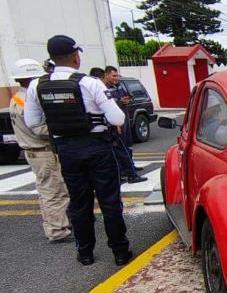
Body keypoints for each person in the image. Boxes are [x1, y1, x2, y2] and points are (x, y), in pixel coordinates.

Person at [24, 35, 133, 266]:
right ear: (76, 57)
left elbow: (32, 122)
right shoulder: (89, 83)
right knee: (110, 202)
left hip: (66, 150)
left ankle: (85, 253)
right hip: (97, 147)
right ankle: (120, 251)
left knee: (79, 202)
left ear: (51, 58)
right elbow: (117, 117)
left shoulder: (37, 85)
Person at [8, 59, 72, 242]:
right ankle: (58, 231)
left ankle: (55, 225)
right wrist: (63, 128)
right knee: (55, 192)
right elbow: (38, 128)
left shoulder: (17, 97)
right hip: (43, 151)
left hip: (35, 152)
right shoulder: (27, 99)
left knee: (47, 191)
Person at [102, 66, 146, 183]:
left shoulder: (120, 86)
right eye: (113, 76)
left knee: (128, 145)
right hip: (116, 123)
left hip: (125, 118)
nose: (116, 78)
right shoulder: (105, 89)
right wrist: (120, 101)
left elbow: (127, 96)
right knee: (120, 149)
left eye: (117, 76)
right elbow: (108, 104)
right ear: (106, 75)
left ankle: (130, 166)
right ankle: (126, 172)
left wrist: (127, 100)